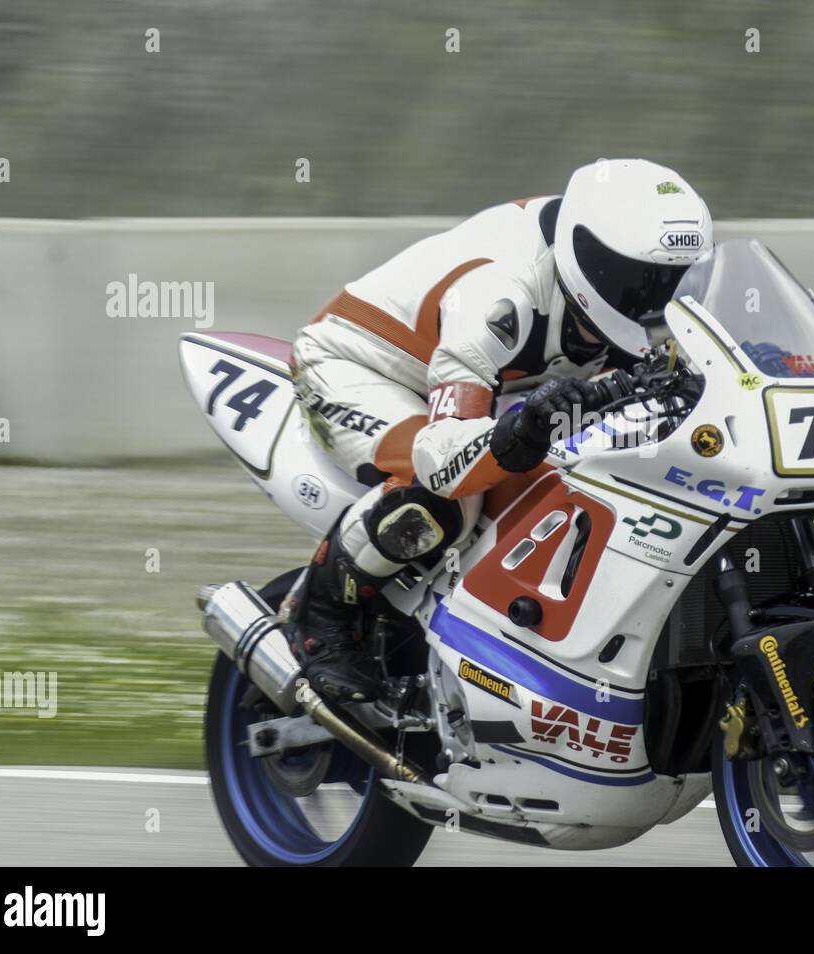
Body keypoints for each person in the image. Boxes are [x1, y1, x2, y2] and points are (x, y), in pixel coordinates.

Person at [281, 159, 714, 702]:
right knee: (448, 501)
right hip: (363, 366)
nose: (657, 298)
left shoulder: (611, 289)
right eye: (642, 281)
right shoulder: (498, 296)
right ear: (588, 259)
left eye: (674, 279)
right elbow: (445, 456)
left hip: (501, 379)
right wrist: (525, 427)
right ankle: (320, 612)